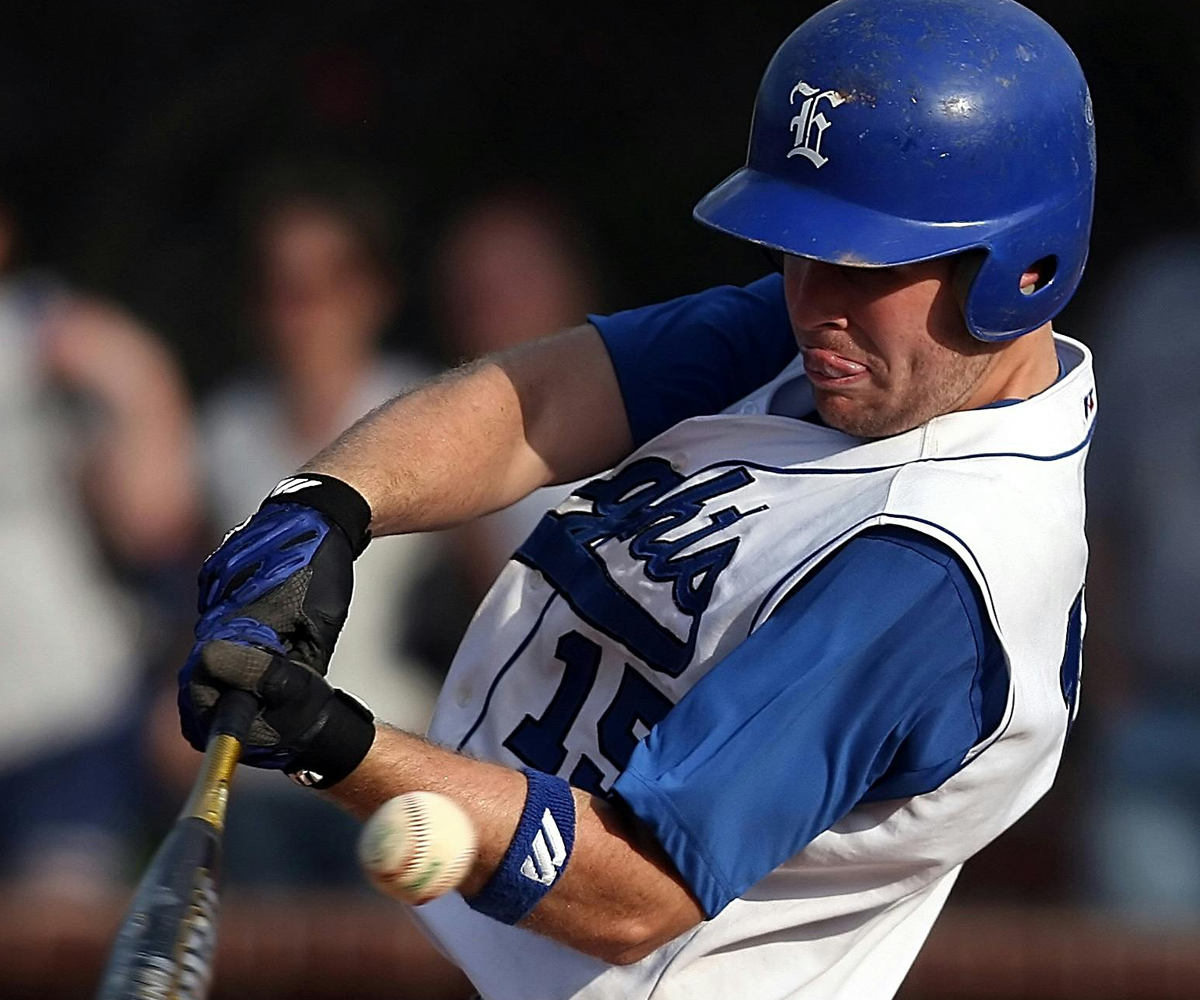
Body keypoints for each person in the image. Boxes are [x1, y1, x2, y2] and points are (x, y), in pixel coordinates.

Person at [177, 1, 1098, 997]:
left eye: (864, 261)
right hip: (492, 945)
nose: (809, 297)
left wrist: (334, 744)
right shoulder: (858, 350)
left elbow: (634, 888)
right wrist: (326, 505)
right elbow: (550, 395)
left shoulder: (932, 576)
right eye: (798, 249)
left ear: (1024, 266)